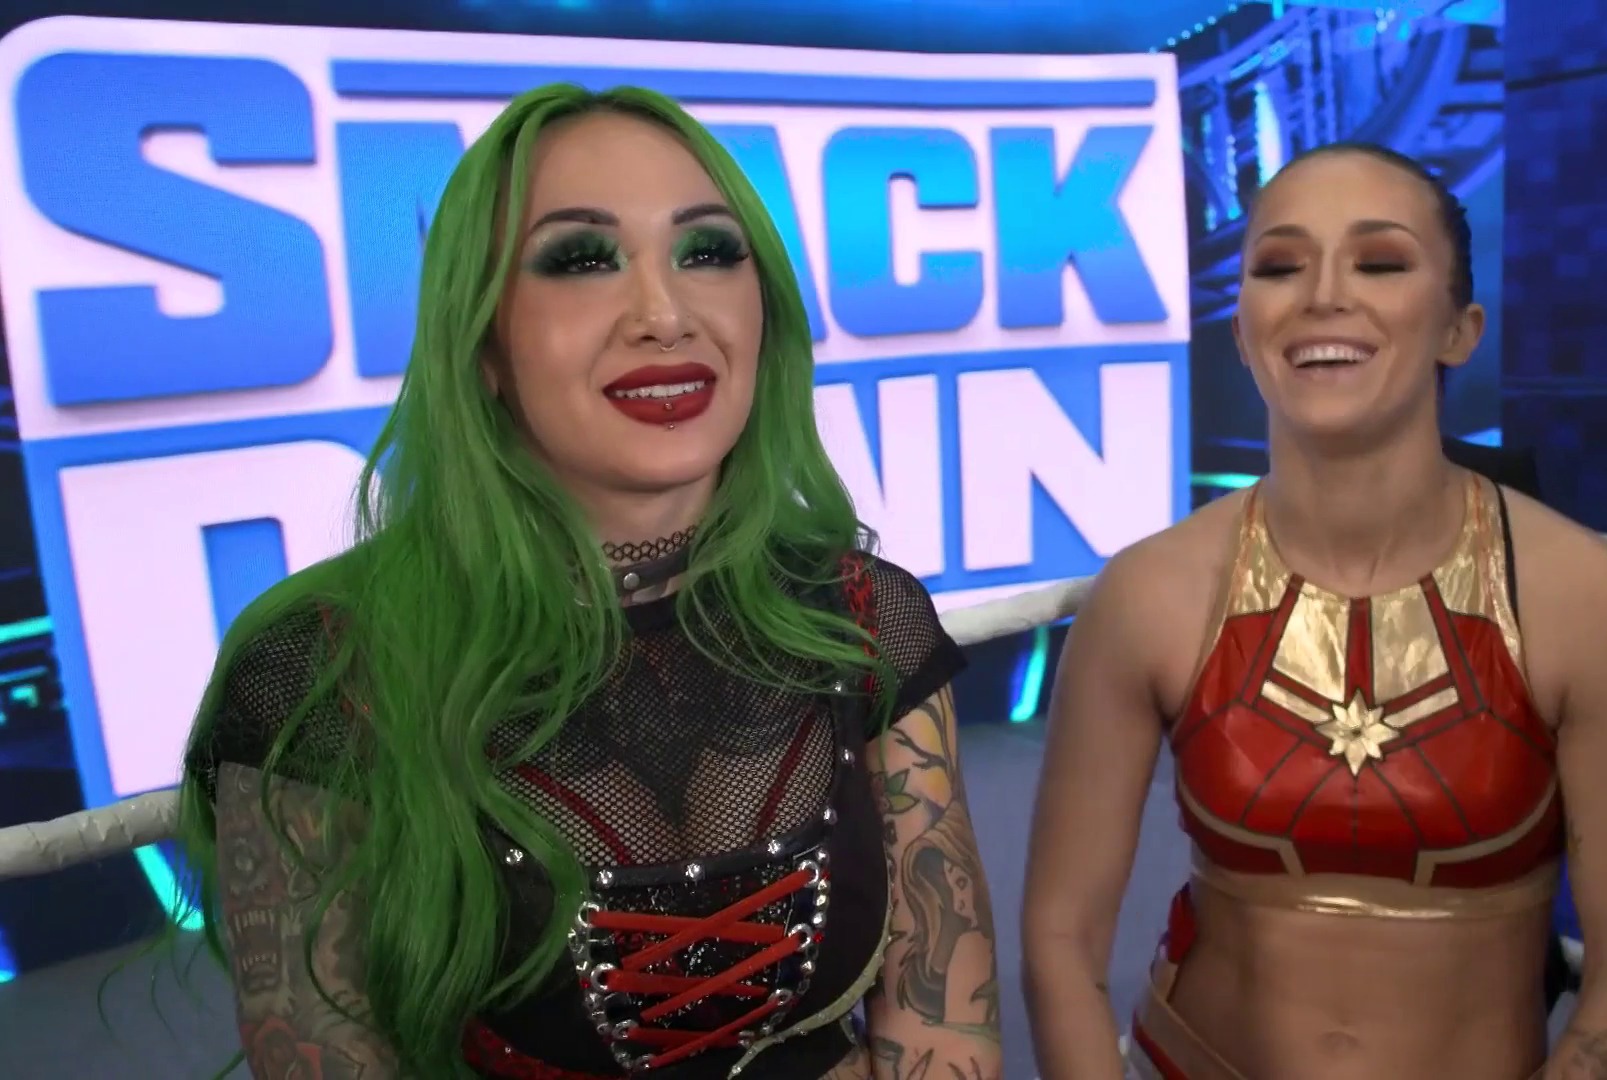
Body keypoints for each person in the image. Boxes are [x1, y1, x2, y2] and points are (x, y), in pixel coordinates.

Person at [175, 84, 1003, 1080]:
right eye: (581, 259)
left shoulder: (867, 615)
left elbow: (943, 1025)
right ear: (483, 341)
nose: (665, 315)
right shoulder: (323, 668)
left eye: (707, 251)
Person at [1021, 142, 1607, 1080]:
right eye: (1279, 267)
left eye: (1379, 262)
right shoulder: (1146, 595)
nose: (1323, 296)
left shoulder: (1592, 605)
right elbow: (1060, 941)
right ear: (1242, 329)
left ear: (1460, 329)